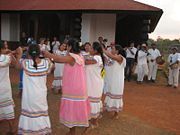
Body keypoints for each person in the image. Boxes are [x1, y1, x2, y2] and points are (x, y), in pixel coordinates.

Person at [43, 39, 90, 135]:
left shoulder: (72, 57)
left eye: (67, 46)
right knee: (75, 110)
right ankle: (73, 130)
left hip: (73, 88)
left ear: (70, 47)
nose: (66, 48)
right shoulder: (79, 56)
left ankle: (84, 128)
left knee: (73, 109)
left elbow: (58, 59)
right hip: (77, 87)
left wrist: (47, 53)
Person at [15, 44, 53, 134]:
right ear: (39, 53)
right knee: (41, 113)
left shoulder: (25, 63)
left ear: (28, 53)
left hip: (29, 96)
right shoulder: (47, 62)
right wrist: (46, 55)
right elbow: (52, 67)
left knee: (29, 114)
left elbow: (17, 66)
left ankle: (28, 131)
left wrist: (19, 55)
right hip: (41, 95)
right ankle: (41, 130)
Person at [103, 45, 126, 119]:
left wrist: (103, 49)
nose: (111, 50)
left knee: (116, 95)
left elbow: (111, 56)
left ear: (117, 51)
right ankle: (108, 108)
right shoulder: (111, 58)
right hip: (111, 80)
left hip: (117, 81)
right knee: (109, 94)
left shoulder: (120, 58)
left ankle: (116, 113)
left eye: (112, 49)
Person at [85, 42, 104, 128]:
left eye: (91, 48)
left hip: (94, 84)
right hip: (92, 82)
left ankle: (95, 121)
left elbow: (87, 62)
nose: (89, 49)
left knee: (93, 102)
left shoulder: (97, 57)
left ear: (95, 50)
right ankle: (91, 119)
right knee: (90, 101)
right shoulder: (94, 56)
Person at [0, 41, 16, 134]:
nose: (7, 48)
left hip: (3, 86)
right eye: (5, 46)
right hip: (4, 87)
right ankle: (11, 129)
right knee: (7, 106)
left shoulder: (6, 56)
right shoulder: (6, 57)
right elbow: (15, 64)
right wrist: (11, 53)